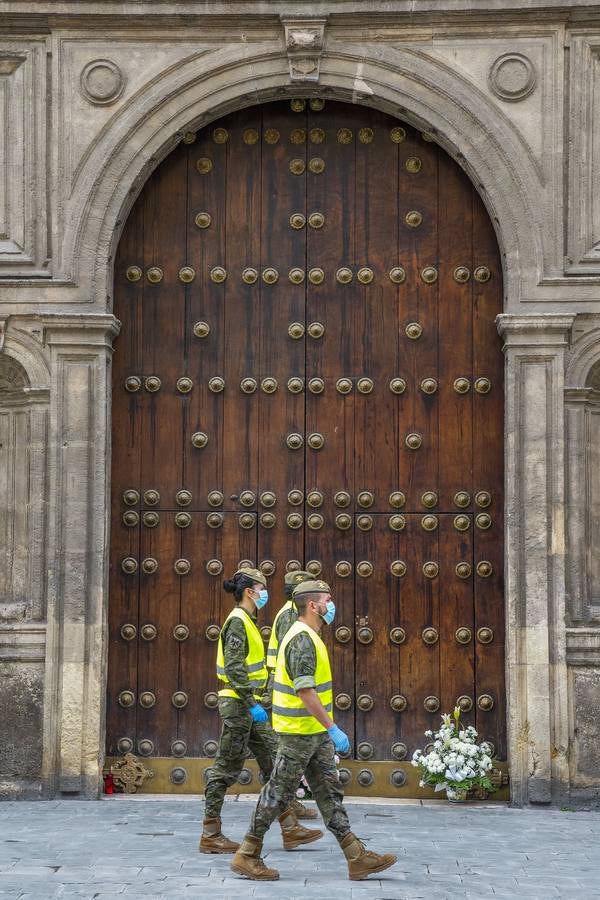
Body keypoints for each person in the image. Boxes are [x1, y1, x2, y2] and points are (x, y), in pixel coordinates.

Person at [231, 580, 398, 882]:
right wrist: (333, 728)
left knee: (328, 793)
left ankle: (356, 856)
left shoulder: (310, 635)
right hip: (298, 732)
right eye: (327, 600)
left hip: (312, 733)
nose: (331, 605)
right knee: (279, 791)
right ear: (312, 605)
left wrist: (325, 732)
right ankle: (248, 853)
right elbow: (305, 690)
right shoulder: (302, 639)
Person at [199, 567, 323, 854]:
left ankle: (290, 828)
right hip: (239, 704)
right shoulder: (238, 621)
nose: (265, 593)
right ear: (249, 592)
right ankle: (210, 833)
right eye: (261, 588)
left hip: (248, 705)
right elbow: (234, 667)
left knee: (272, 764)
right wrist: (253, 703)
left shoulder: (247, 620)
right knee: (225, 769)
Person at [264, 569, 318, 821]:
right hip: (288, 690)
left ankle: (285, 808)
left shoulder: (289, 612)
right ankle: (285, 806)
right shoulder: (290, 617)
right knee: (283, 753)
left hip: (286, 687)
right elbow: (295, 657)